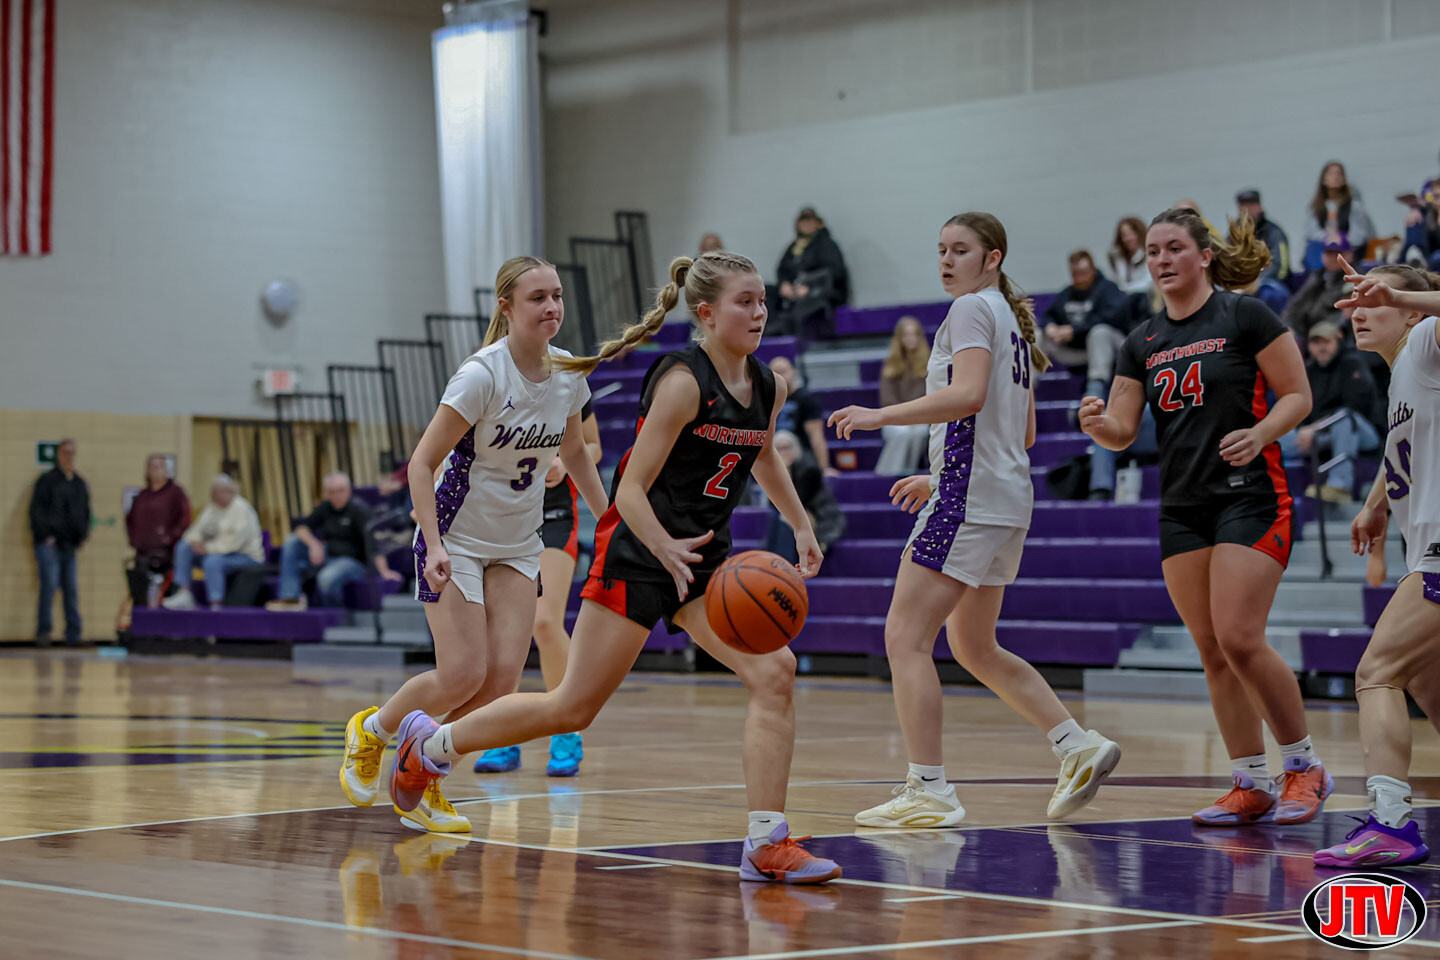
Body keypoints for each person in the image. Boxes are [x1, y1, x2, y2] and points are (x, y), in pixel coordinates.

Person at [384, 251, 843, 884]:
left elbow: (761, 455)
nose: (760, 312)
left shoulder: (770, 386)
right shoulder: (682, 381)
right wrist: (661, 547)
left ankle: (767, 840)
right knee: (572, 709)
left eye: (763, 301)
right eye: (745, 302)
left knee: (775, 672)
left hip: (701, 560)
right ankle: (432, 745)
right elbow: (629, 490)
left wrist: (800, 523)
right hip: (638, 553)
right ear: (707, 314)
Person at [829, 212, 1121, 828]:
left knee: (905, 637)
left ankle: (928, 788)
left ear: (992, 258)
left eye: (959, 250)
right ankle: (1076, 744)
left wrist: (880, 417)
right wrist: (940, 474)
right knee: (972, 644)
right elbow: (1025, 430)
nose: (945, 260)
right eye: (940, 249)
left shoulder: (969, 310)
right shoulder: (1011, 321)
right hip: (1003, 497)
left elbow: (968, 397)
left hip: (972, 498)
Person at [1080, 207, 1332, 827]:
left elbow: (1298, 395)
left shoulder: (1245, 315)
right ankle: (1250, 781)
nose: (1161, 260)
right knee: (1213, 650)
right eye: (1153, 252)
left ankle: (1304, 766)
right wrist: (1097, 425)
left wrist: (1262, 432)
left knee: (1240, 637)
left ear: (1204, 256)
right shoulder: (1141, 341)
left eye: (1173, 248)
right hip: (1183, 507)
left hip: (1252, 496)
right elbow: (1121, 430)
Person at [338, 255, 608, 834]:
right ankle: (373, 730)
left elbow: (577, 452)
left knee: (501, 683)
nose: (552, 307)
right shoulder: (482, 375)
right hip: (455, 538)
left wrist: (609, 521)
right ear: (506, 307)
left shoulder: (568, 374)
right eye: (538, 297)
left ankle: (426, 774)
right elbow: (421, 464)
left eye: (557, 295)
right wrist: (434, 544)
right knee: (462, 674)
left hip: (517, 544)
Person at [1314, 263, 1440, 867]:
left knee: (1378, 670)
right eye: (1355, 300)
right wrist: (1374, 507)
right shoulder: (1402, 377)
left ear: (1413, 310)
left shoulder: (1426, 343)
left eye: (1374, 299)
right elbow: (1401, 452)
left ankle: (1391, 823)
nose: (1359, 311)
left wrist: (1407, 293)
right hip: (1425, 550)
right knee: (1427, 684)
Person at [473, 400, 603, 777]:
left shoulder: (567, 383)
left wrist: (565, 462)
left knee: (544, 622)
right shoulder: (489, 382)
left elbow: (592, 446)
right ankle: (502, 733)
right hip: (503, 516)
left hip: (554, 516)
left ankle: (566, 729)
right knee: (502, 631)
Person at [1278, 320, 1382, 503]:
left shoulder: (1353, 364)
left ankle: (1340, 487)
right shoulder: (1309, 370)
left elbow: (1355, 407)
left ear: (1337, 341)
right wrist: (1303, 430)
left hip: (1364, 434)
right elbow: (1300, 406)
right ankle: (1264, 487)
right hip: (1322, 435)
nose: (1321, 347)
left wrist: (1315, 429)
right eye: (1316, 342)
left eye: (1326, 341)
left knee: (1344, 419)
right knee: (1277, 435)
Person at [266, 472, 402, 610]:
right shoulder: (326, 507)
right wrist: (314, 544)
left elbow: (374, 544)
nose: (336, 495)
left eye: (340, 491)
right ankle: (290, 597)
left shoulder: (358, 510)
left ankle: (334, 614)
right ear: (327, 493)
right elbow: (301, 528)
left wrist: (384, 571)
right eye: (332, 491)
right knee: (292, 541)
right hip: (328, 556)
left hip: (353, 562)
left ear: (348, 491)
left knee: (326, 577)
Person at [162, 475, 264, 610]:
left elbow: (234, 543)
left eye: (216, 492)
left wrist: (207, 548)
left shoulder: (242, 508)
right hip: (215, 552)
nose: (212, 495)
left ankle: (215, 603)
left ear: (228, 491)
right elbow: (194, 531)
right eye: (212, 492)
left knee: (213, 561)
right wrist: (195, 543)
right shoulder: (212, 508)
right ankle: (183, 592)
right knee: (183, 547)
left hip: (245, 556)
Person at [1041, 250, 1132, 399]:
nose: (1079, 277)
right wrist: (1050, 327)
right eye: (1075, 273)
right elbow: (1048, 315)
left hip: (1110, 347)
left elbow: (1112, 317)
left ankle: (1095, 388)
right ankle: (1027, 388)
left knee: (1099, 332)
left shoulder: (1108, 289)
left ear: (1093, 269)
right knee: (1039, 334)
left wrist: (1073, 331)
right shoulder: (1067, 293)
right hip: (1077, 349)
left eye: (1083, 272)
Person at [29, 438, 89, 645]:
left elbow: (85, 513)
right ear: (59, 455)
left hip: (70, 544)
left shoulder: (79, 483)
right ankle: (43, 632)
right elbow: (36, 511)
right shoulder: (47, 481)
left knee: (71, 589)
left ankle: (73, 635)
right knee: (49, 586)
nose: (69, 456)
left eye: (72, 452)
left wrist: (81, 536)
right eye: (65, 452)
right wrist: (46, 535)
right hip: (50, 544)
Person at [764, 429, 844, 564]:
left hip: (820, 518)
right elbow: (773, 504)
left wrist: (785, 471)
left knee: (787, 518)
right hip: (799, 517)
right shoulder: (772, 471)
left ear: (796, 448)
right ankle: (776, 564)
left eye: (786, 447)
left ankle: (783, 565)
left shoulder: (809, 468)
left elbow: (796, 502)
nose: (783, 452)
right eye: (779, 449)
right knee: (781, 517)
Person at [125, 455, 191, 607]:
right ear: (147, 471)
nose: (156, 471)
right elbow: (130, 520)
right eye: (152, 467)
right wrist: (135, 541)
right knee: (141, 596)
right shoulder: (142, 496)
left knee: (167, 598)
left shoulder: (176, 493)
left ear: (166, 470)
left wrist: (170, 538)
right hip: (143, 554)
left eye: (160, 466)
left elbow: (185, 519)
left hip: (169, 555)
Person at [775, 207, 849, 338]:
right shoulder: (794, 247)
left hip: (821, 295)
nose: (806, 225)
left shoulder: (826, 244)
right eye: (803, 221)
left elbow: (835, 273)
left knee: (804, 310)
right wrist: (784, 284)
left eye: (810, 221)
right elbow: (782, 269)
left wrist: (809, 287)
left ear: (818, 223)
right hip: (795, 295)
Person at [875, 316, 931, 475]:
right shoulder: (890, 364)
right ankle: (889, 474)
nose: (911, 338)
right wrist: (905, 418)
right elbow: (887, 399)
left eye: (914, 334)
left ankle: (904, 473)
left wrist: (914, 417)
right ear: (900, 338)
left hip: (922, 418)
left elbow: (930, 396)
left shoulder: (930, 363)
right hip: (895, 417)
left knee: (919, 432)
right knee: (902, 432)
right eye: (906, 334)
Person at [768, 355, 836, 476]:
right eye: (775, 373)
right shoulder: (764, 400)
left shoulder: (806, 399)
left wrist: (824, 468)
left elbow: (816, 435)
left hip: (800, 456)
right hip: (772, 454)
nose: (780, 376)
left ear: (794, 372)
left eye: (783, 371)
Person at [1302, 161, 1374, 271]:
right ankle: (1319, 275)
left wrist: (1341, 239)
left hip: (1347, 252)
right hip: (1323, 252)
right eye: (1331, 173)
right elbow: (1311, 232)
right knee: (1312, 248)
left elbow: (1359, 236)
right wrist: (1329, 238)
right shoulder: (1315, 206)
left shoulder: (1354, 206)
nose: (1335, 177)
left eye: (1338, 173)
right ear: (1323, 179)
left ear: (1344, 179)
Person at [1282, 237, 1352, 339]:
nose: (1334, 258)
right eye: (1329, 253)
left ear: (1349, 255)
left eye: (1338, 254)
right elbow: (1295, 305)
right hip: (1306, 332)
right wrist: (1289, 327)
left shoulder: (1353, 278)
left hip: (1330, 335)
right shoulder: (1318, 276)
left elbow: (1344, 317)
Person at [1235, 189, 1290, 283]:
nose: (1246, 210)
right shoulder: (1234, 234)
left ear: (1259, 207)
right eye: (1243, 205)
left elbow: (1281, 267)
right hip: (1241, 285)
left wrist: (1258, 283)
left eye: (1251, 205)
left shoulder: (1275, 233)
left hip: (1271, 285)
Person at [1107, 216, 1151, 294]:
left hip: (1144, 296)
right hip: (1123, 297)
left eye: (1131, 234)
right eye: (1124, 235)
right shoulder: (1117, 257)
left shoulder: (1150, 254)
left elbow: (1149, 283)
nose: (1128, 239)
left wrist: (1125, 290)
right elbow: (1114, 280)